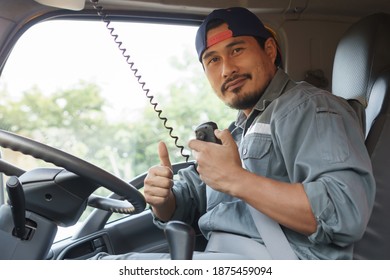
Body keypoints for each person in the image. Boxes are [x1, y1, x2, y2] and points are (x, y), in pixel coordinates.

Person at [91, 7, 375, 260]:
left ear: (270, 51)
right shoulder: (237, 130)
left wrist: (239, 180)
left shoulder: (309, 108)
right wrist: (164, 200)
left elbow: (344, 213)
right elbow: (195, 197)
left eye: (237, 50)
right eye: (213, 60)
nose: (227, 69)